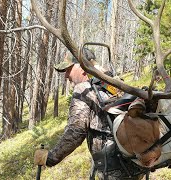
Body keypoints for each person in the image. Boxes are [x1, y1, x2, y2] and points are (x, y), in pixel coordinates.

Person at [34, 48, 144, 179]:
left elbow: (76, 132)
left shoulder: (84, 89)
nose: (66, 75)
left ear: (82, 66)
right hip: (135, 166)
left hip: (112, 168)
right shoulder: (117, 82)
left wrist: (50, 157)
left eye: (68, 69)